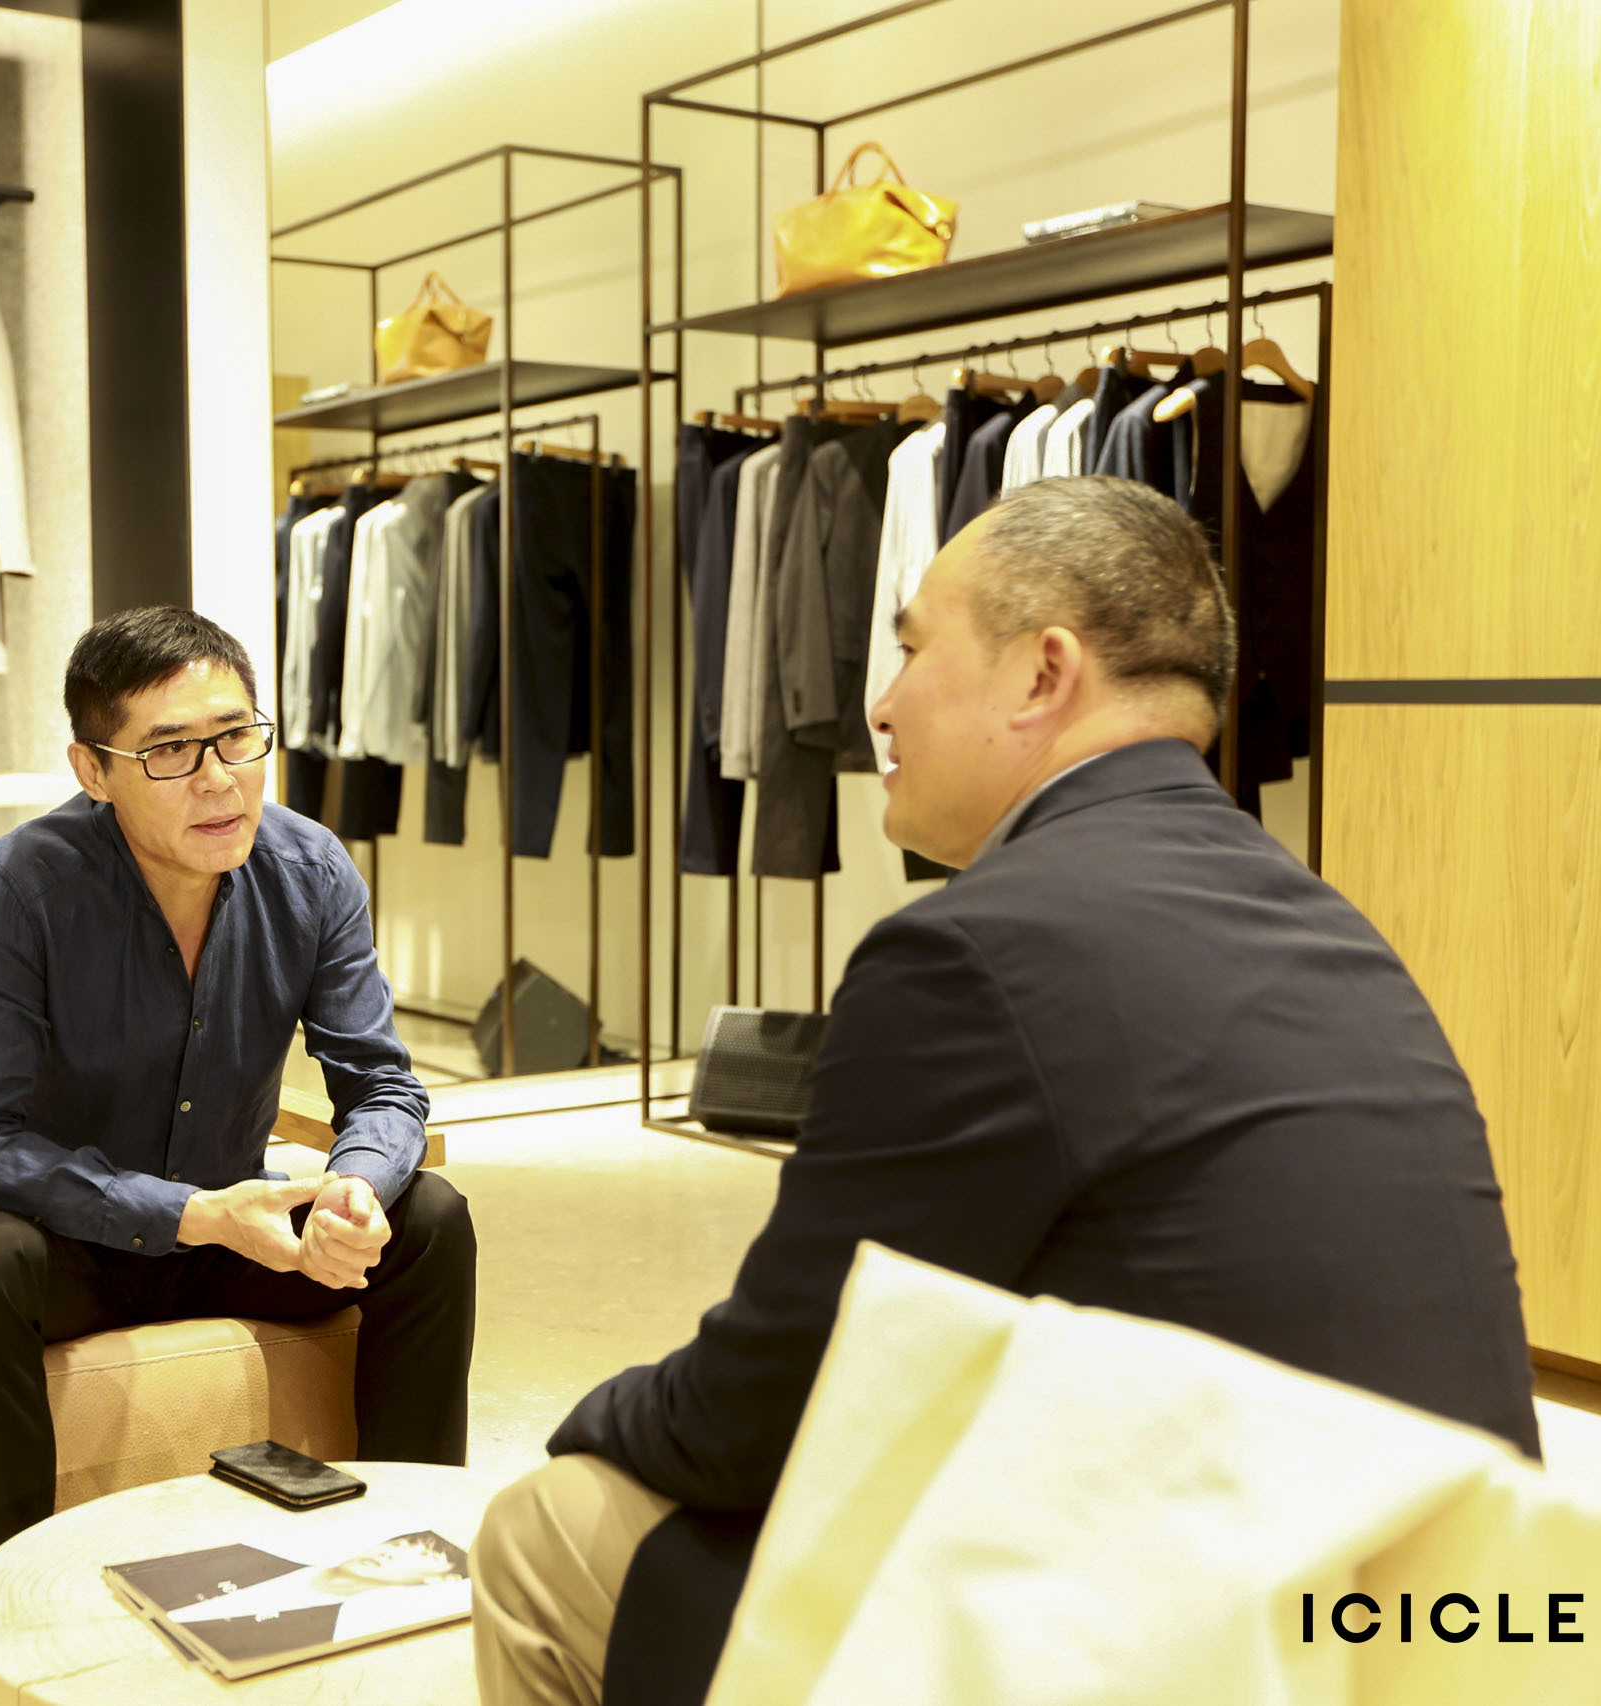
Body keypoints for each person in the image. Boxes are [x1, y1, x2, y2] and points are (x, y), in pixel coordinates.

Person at [468, 476, 1539, 1706]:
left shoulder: (971, 948)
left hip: (1217, 1657)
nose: (879, 703)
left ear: (1041, 674)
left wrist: (594, 1415)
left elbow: (756, 1411)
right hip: (1468, 1618)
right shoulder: (1332, 923)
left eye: (911, 646)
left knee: (550, 1525)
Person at [0, 606, 477, 1583]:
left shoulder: (311, 870)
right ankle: (1, 1606)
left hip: (235, 1236)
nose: (219, 778)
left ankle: (410, 1561)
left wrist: (353, 1187)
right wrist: (188, 1213)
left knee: (427, 1214)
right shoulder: (24, 886)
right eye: (171, 750)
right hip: (76, 1243)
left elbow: (382, 1083)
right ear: (94, 770)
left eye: (237, 736)